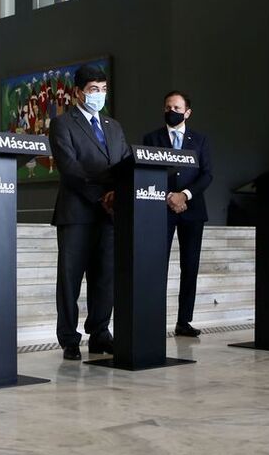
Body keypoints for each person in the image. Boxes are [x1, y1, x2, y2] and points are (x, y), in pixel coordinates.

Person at [49, 65, 131, 360]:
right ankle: (69, 338)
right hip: (77, 213)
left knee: (105, 277)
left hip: (109, 215)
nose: (99, 95)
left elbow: (124, 163)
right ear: (78, 92)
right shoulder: (62, 124)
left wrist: (116, 195)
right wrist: (102, 197)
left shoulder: (114, 126)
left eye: (103, 89)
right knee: (70, 279)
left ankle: (100, 333)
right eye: (93, 90)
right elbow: (70, 169)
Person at [142, 91, 213, 338]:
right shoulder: (151, 138)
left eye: (177, 107)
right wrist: (169, 196)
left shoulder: (200, 140)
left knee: (190, 266)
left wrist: (184, 195)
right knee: (156, 265)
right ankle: (153, 318)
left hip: (193, 210)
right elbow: (146, 170)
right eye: (168, 107)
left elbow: (207, 174)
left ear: (187, 112)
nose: (171, 111)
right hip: (160, 209)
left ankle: (184, 321)